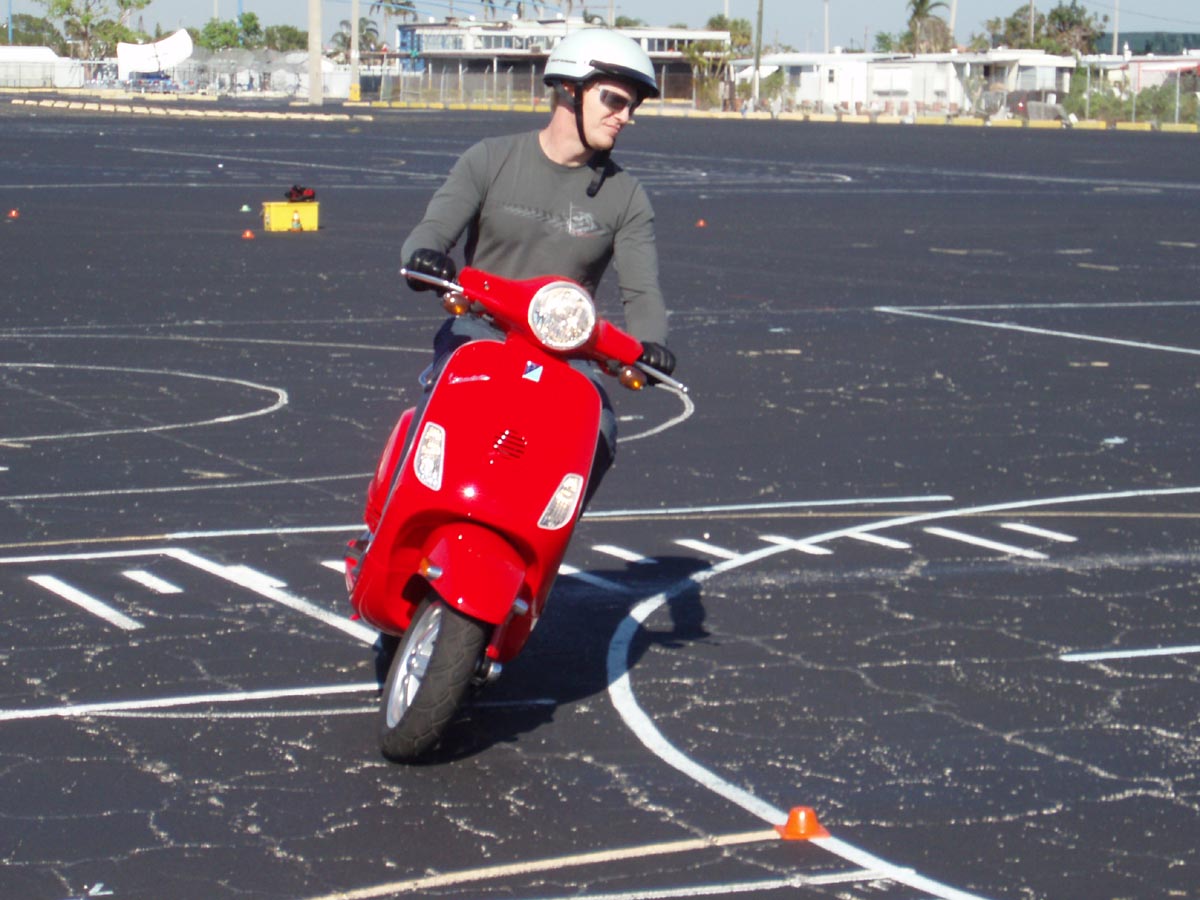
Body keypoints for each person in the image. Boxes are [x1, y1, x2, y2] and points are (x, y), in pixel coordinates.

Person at [399, 28, 677, 501]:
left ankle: (543, 547)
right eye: (614, 100)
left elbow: (641, 290)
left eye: (632, 107)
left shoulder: (626, 196)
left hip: (566, 353)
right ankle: (392, 527)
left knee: (598, 434)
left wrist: (651, 345)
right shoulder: (491, 159)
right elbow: (430, 233)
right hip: (480, 333)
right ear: (570, 88)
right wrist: (424, 258)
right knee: (433, 429)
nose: (625, 116)